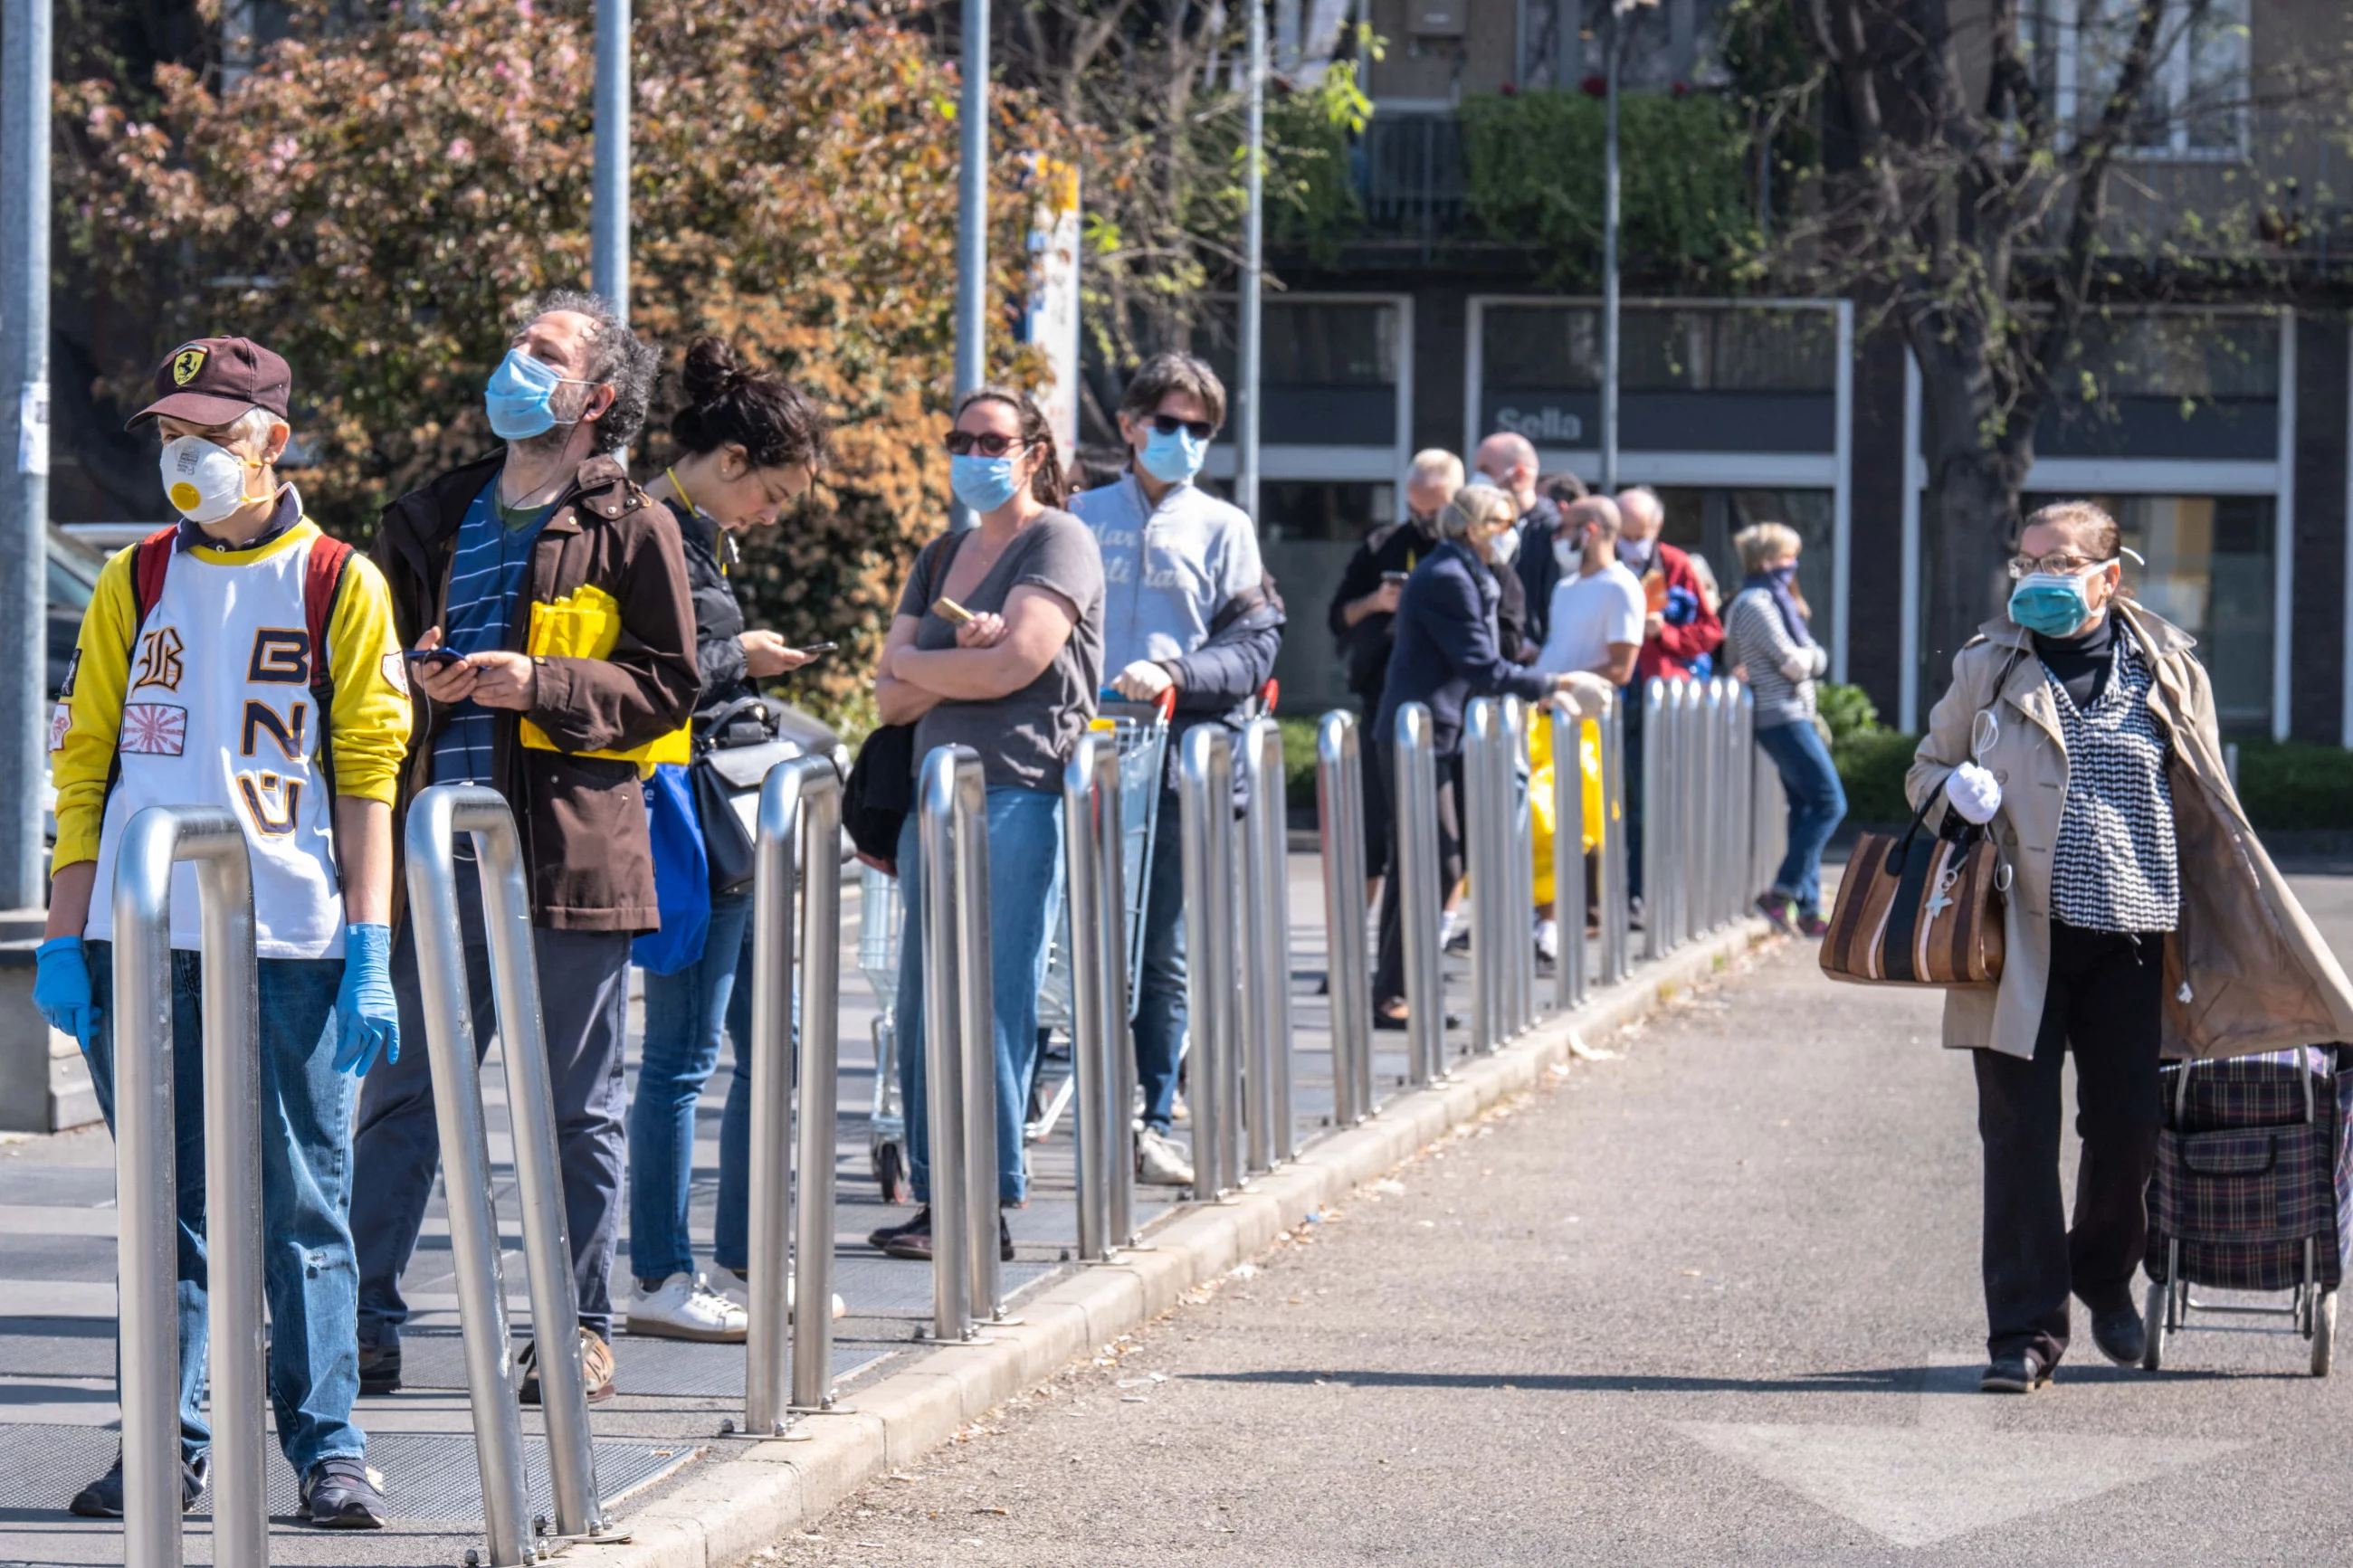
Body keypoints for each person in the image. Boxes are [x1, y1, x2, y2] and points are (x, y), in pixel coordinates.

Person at [40, 337, 410, 1525]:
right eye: (170, 437)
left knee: (304, 1200)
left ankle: (329, 1445)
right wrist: (64, 930)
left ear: (273, 444)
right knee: (166, 1206)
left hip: (293, 937)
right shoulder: (134, 578)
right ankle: (169, 1438)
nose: (187, 459)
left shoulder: (336, 581)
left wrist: (371, 945)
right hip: (141, 935)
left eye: (213, 436)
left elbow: (368, 776)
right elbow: (88, 757)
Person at [1909, 499, 2353, 1393]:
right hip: (2014, 940)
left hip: (2132, 935)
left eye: (2059, 560)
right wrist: (1952, 787)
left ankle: (2101, 1270)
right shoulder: (1986, 665)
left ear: (2107, 576)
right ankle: (2023, 1335)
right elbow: (1923, 770)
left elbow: (2209, 800)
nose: (2036, 576)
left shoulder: (2167, 667)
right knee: (2017, 1136)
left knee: (2126, 1128)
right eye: (2026, 559)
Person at [354, 292, 697, 1403]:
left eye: (541, 354)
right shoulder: (432, 513)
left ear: (593, 399)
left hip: (564, 852)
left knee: (571, 1105)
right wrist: (421, 669)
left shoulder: (633, 522)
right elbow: (369, 669)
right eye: (515, 344)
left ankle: (577, 1327)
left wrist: (534, 682)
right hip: (432, 844)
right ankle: (359, 1317)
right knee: (401, 1094)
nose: (513, 364)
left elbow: (667, 685)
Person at [866, 386, 1104, 1259]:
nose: (976, 452)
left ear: (1033, 451)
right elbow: (887, 691)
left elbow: (1021, 661)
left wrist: (930, 666)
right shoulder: (942, 552)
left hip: (1016, 790)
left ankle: (987, 1199)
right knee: (928, 1000)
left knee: (994, 1001)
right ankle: (939, 1196)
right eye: (960, 438)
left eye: (993, 439)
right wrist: (949, 664)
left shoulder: (1058, 539)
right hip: (935, 795)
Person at [624, 337, 829, 1341]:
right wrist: (734, 655)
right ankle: (662, 1269)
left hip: (726, 808)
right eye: (776, 495)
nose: (774, 517)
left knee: (766, 1044)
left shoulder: (688, 529)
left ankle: (745, 1258)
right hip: (688, 811)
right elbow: (633, 672)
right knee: (680, 1054)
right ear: (735, 460)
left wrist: (734, 660)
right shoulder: (647, 524)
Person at [1071, 353, 1283, 1190]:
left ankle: (1152, 1115)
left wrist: (1177, 673)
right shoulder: (1079, 516)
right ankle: (1066, 1106)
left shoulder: (1225, 528)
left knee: (1159, 953)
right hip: (1079, 759)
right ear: (1130, 426)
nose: (1185, 440)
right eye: (1169, 424)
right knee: (1074, 954)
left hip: (1172, 772)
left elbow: (1256, 645)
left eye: (1201, 430)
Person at [1371, 487, 1592, 1029]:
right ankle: (1395, 991)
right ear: (1472, 525)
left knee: (1426, 861)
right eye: (1501, 519)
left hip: (1439, 733)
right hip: (1418, 734)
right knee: (1434, 860)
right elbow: (1482, 665)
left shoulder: (1472, 570)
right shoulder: (1448, 575)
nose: (1511, 528)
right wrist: (1556, 682)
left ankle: (1398, 990)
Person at [1328, 449, 1461, 898]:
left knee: (1446, 842)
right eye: (1414, 510)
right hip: (1382, 700)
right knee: (1371, 835)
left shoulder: (1467, 553)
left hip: (1447, 709)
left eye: (1435, 511)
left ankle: (1434, 935)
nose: (1424, 521)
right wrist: (1376, 603)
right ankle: (1350, 954)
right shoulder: (1381, 545)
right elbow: (1337, 616)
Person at [1724, 522, 1843, 937]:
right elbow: (1794, 660)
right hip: (1782, 715)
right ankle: (1782, 892)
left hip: (1790, 712)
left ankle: (1808, 909)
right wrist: (1811, 658)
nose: (1793, 565)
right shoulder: (1757, 604)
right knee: (1830, 802)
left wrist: (1809, 658)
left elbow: (1806, 658)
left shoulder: (1774, 600)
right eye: (1787, 557)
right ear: (1767, 560)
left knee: (1806, 808)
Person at [1614, 485, 1722, 915]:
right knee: (1612, 800)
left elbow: (1711, 632)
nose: (1630, 543)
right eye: (1623, 533)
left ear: (1656, 527)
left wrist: (1666, 634)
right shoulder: (1600, 562)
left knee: (1652, 801)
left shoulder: (1676, 565)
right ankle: (1604, 895)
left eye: (1638, 533)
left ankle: (1643, 891)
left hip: (1658, 698)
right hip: (1612, 693)